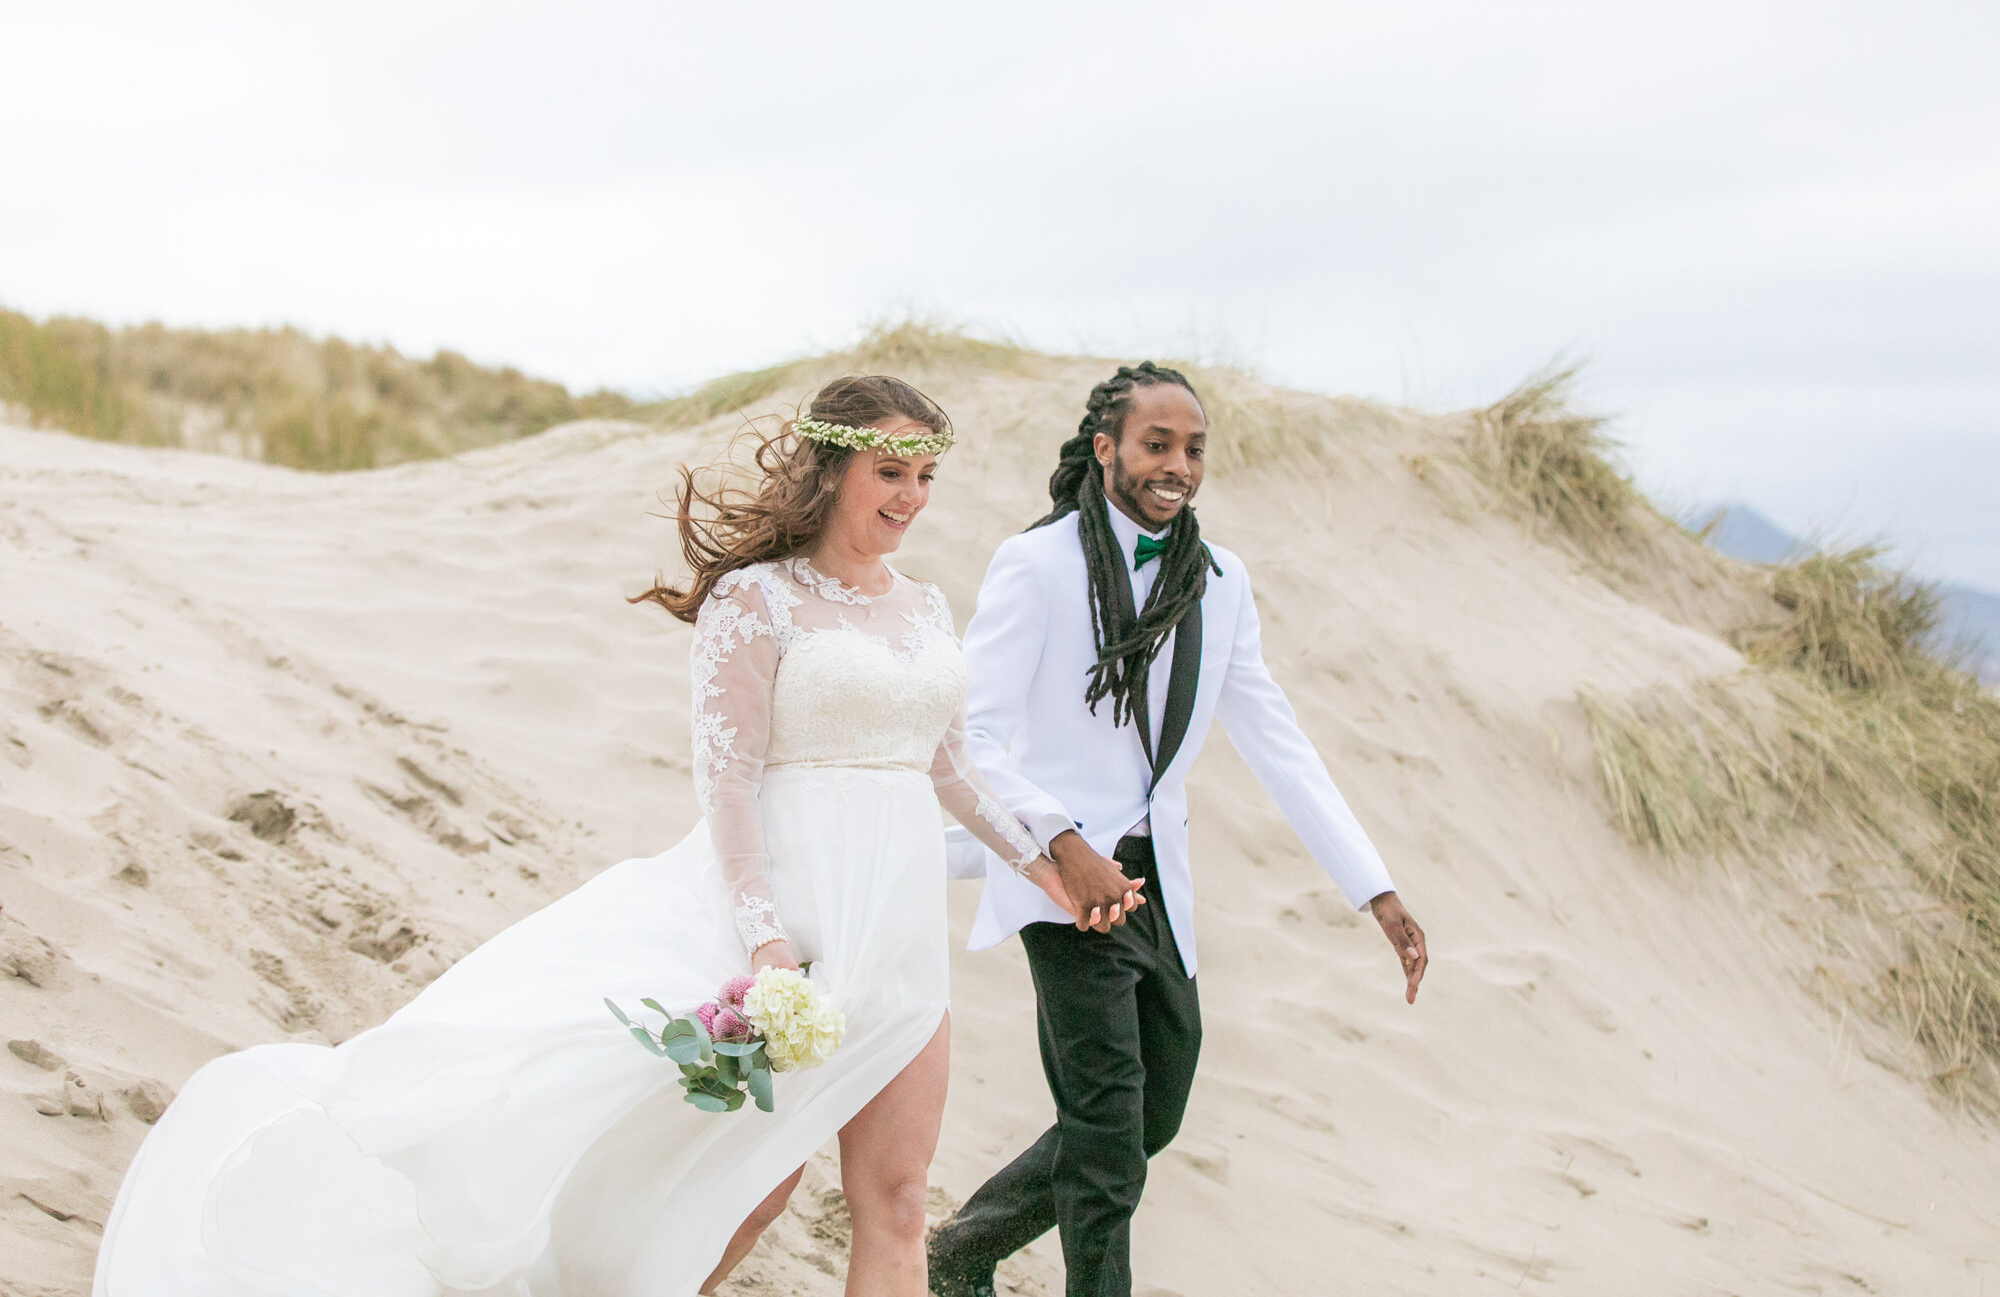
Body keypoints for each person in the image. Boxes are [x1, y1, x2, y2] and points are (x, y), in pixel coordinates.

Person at [91, 375, 1101, 1297]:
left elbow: (949, 767)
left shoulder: (921, 607)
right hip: (785, 922)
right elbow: (730, 784)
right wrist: (761, 942)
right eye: (890, 472)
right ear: (831, 468)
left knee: (896, 1202)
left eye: (925, 475)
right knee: (743, 1193)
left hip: (897, 936)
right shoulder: (757, 600)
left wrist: (1042, 866)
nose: (910, 496)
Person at [926, 362, 1429, 1297]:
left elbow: (1276, 737)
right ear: (1107, 447)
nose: (1179, 465)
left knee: (1150, 1114)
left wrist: (1374, 886)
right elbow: (971, 735)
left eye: (1193, 448)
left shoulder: (1221, 579)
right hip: (1061, 880)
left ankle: (959, 1250)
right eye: (1158, 444)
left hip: (1162, 884)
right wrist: (1064, 847)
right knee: (1111, 1139)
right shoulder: (1038, 563)